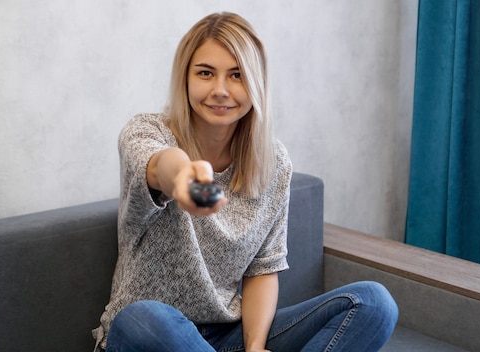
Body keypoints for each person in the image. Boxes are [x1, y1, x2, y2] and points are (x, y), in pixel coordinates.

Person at [93, 12, 398, 352]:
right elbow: (157, 163)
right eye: (206, 73)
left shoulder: (273, 162)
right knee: (143, 317)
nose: (220, 90)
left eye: (237, 75)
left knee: (373, 303)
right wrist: (183, 178)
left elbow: (263, 268)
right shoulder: (147, 131)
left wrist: (254, 347)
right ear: (185, 78)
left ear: (255, 83)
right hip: (150, 336)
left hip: (227, 337)